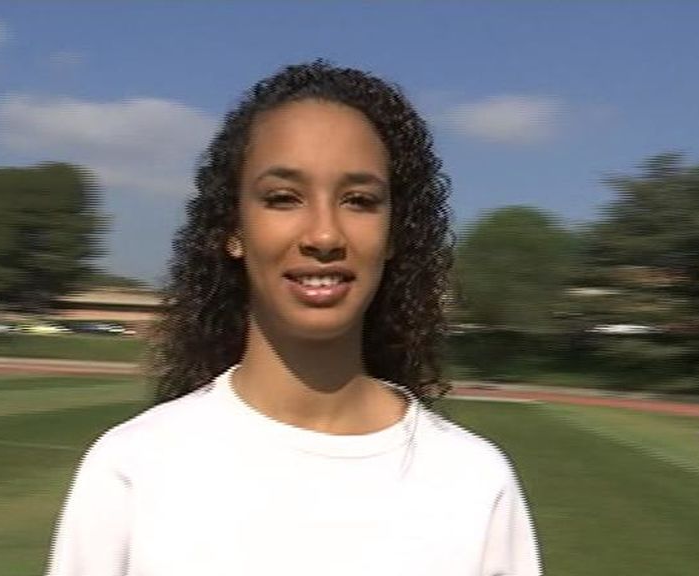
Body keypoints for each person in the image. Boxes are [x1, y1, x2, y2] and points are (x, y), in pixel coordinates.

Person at [45, 60, 542, 576]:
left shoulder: (476, 482)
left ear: (395, 234)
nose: (324, 235)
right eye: (283, 198)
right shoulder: (131, 467)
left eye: (360, 200)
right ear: (232, 228)